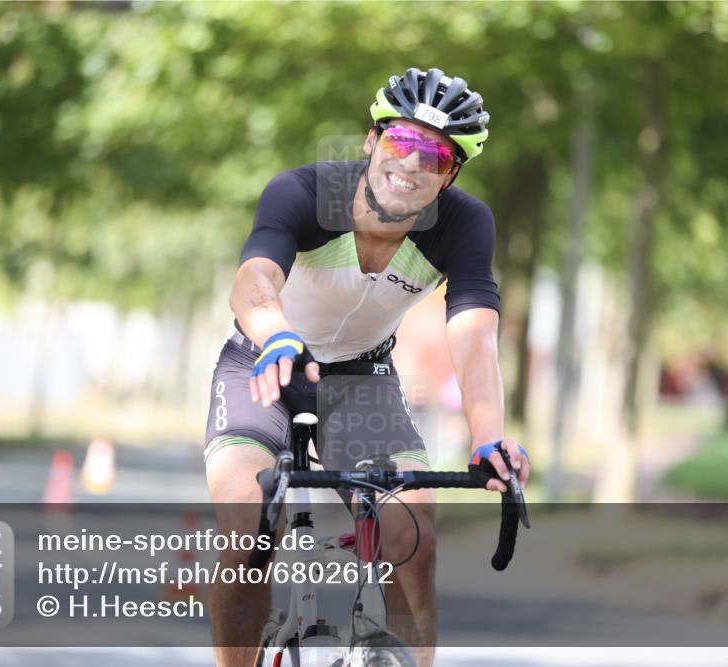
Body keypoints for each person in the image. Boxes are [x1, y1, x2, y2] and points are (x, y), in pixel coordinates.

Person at [204, 67, 531, 667]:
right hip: (266, 365)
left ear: (451, 172)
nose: (410, 164)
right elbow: (255, 277)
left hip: (359, 382)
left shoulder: (465, 224)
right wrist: (276, 334)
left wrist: (489, 438)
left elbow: (474, 332)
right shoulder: (304, 191)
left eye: (433, 155)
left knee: (414, 534)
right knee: (249, 526)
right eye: (401, 141)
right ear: (371, 142)